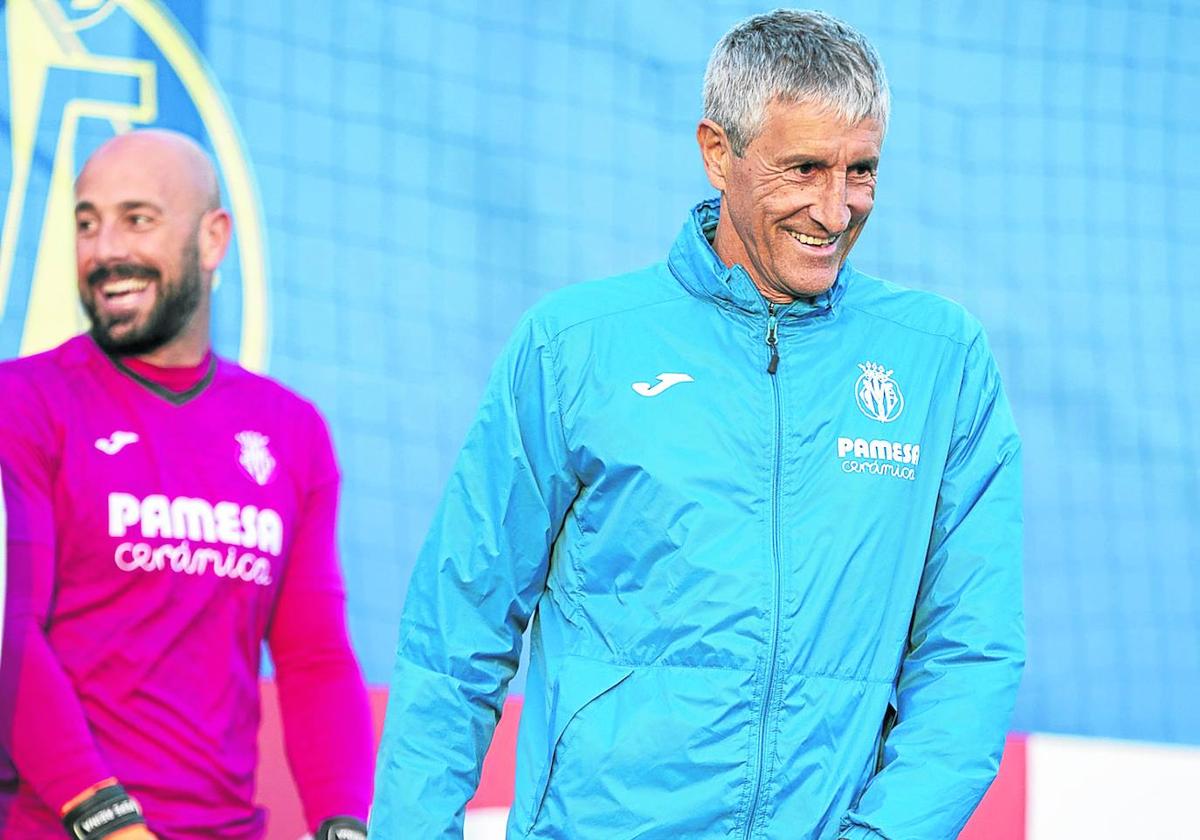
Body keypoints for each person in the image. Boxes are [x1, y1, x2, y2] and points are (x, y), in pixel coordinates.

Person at [372, 9, 1023, 840]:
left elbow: (970, 656)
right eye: (803, 169)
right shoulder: (575, 345)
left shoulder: (943, 361)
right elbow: (457, 631)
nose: (834, 210)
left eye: (861, 170)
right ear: (719, 152)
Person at [0, 130, 373, 840]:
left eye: (137, 219)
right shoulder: (20, 404)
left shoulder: (291, 432)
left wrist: (343, 824)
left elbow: (315, 658)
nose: (105, 250)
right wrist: (106, 820)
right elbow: (6, 634)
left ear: (213, 238)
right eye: (87, 222)